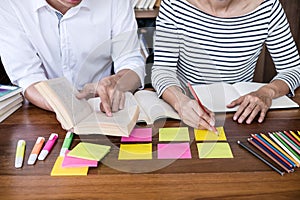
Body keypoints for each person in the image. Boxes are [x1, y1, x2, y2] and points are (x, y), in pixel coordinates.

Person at [152, 0, 300, 131]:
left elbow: (293, 69)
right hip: (187, 112)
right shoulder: (174, 4)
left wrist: (267, 92)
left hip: (240, 116)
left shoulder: (268, 7)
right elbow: (163, 69)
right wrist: (180, 101)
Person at [0, 0, 145, 117]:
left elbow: (130, 60)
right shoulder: (10, 5)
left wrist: (118, 82)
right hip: (44, 110)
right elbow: (28, 77)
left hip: (102, 108)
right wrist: (70, 107)